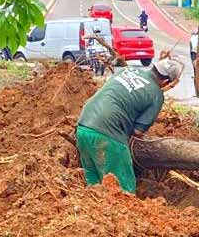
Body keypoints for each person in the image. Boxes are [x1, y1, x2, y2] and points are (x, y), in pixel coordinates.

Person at [76, 57, 184, 193]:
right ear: (166, 82)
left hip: (83, 125)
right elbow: (137, 132)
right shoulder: (156, 95)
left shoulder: (128, 70)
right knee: (123, 191)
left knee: (93, 187)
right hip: (107, 134)